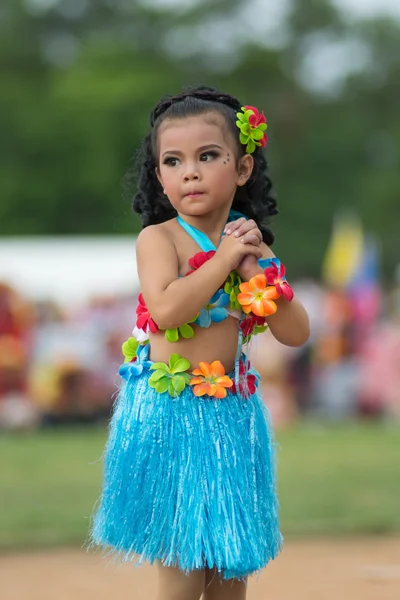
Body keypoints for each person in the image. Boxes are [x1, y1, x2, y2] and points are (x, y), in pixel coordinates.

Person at [87, 85, 310, 600]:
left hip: (230, 417)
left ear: (242, 168)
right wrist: (226, 261)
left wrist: (257, 272)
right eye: (173, 160)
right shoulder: (159, 239)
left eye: (208, 155)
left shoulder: (248, 245)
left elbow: (296, 333)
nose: (190, 171)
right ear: (160, 177)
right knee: (184, 569)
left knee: (231, 569)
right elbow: (166, 310)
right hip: (170, 417)